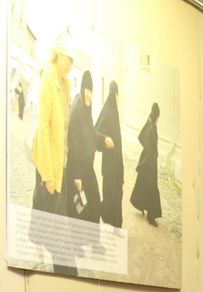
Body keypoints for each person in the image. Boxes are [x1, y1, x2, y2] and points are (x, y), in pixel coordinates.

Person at [64, 70, 113, 224]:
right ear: (82, 89)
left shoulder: (86, 109)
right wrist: (76, 176)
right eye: (86, 90)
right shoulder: (77, 111)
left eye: (91, 91)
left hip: (87, 168)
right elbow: (73, 144)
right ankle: (80, 238)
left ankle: (91, 237)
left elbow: (91, 132)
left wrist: (103, 139)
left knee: (93, 206)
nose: (89, 94)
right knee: (81, 210)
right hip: (78, 170)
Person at [31, 36, 73, 216]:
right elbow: (43, 127)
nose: (70, 65)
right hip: (49, 164)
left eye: (72, 61)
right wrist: (47, 175)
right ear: (57, 55)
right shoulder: (48, 77)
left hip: (60, 161)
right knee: (45, 218)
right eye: (67, 59)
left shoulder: (65, 84)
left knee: (53, 217)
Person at [95, 80, 124, 229]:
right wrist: (105, 139)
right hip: (109, 165)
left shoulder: (113, 111)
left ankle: (115, 223)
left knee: (116, 193)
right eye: (118, 95)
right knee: (112, 194)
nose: (119, 99)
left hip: (116, 164)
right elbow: (96, 131)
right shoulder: (107, 110)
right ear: (115, 95)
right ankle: (113, 222)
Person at [130, 102, 162, 226]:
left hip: (147, 161)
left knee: (142, 184)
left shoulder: (150, 123)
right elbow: (149, 146)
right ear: (156, 115)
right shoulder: (151, 128)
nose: (159, 118)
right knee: (152, 189)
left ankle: (139, 204)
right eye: (158, 116)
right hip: (149, 163)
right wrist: (151, 159)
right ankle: (151, 217)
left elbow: (140, 137)